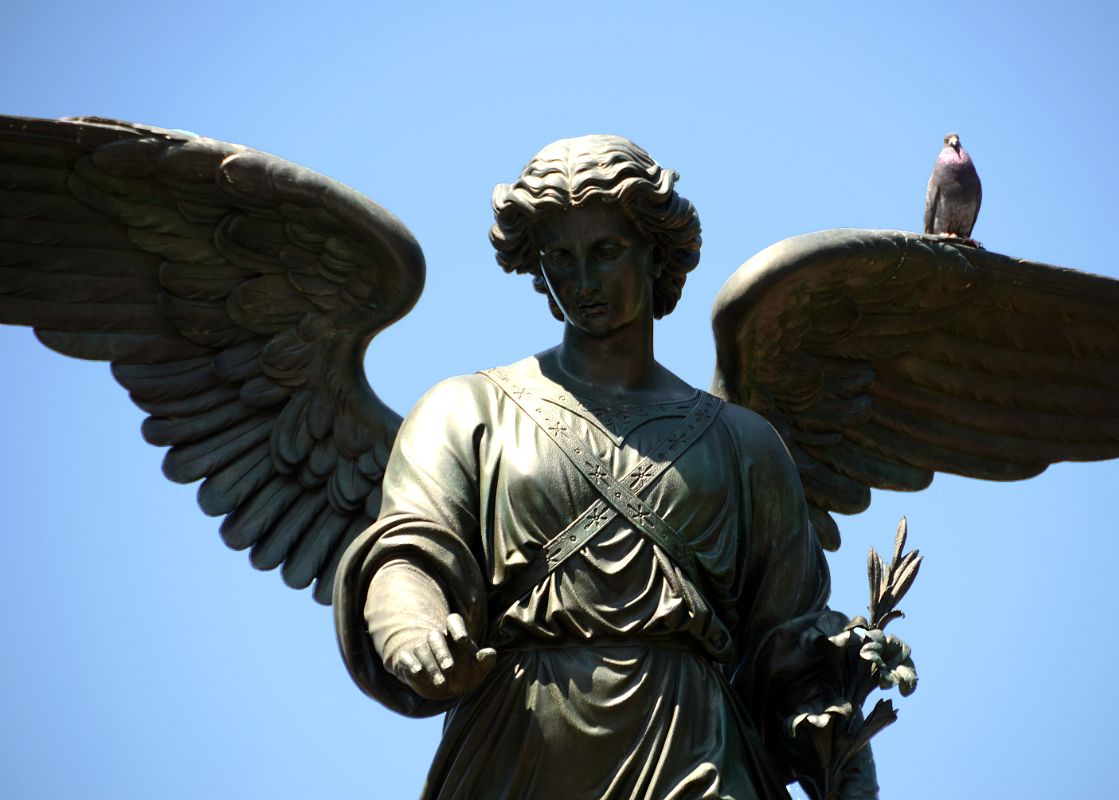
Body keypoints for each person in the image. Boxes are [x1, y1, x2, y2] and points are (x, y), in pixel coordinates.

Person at [333, 135, 876, 798]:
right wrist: (409, 627)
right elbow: (408, 552)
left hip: (696, 753)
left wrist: (835, 733)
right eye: (559, 257)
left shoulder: (744, 444)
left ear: (656, 252)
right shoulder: (464, 410)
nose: (582, 282)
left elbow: (787, 638)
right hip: (518, 747)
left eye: (606, 251)